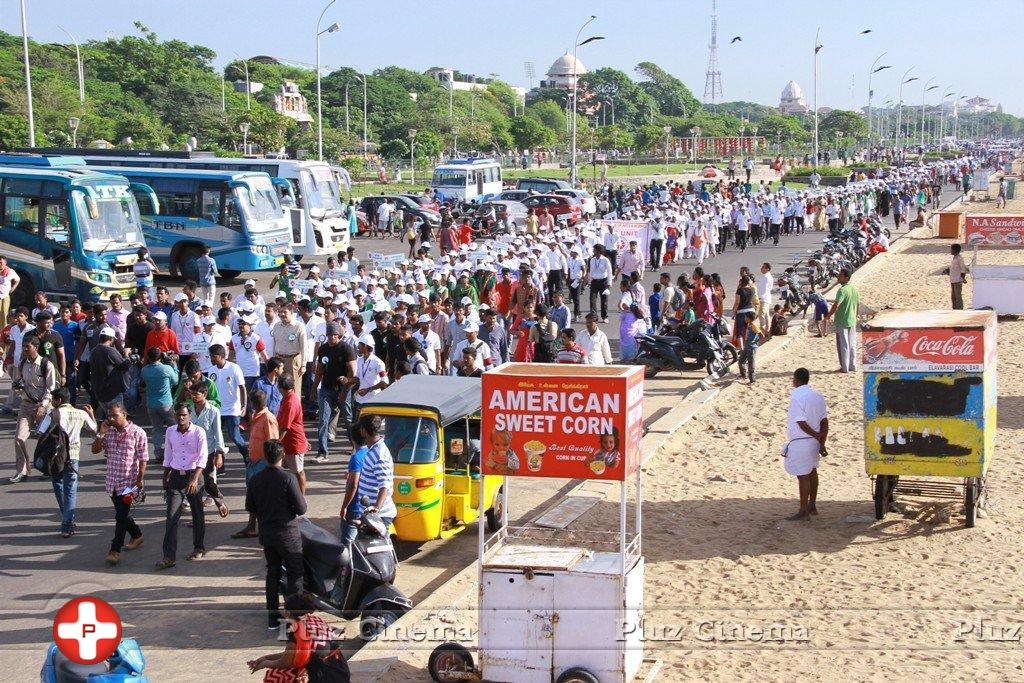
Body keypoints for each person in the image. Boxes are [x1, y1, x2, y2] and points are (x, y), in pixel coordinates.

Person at [245, 437, 308, 632]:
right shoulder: (288, 478)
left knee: (273, 573)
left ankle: (273, 619)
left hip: (268, 534)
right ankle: (295, 620)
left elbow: (250, 506)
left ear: (265, 456)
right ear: (282, 456)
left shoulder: (256, 479)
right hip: (288, 535)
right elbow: (301, 508)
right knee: (295, 575)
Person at [91, 402, 148, 566]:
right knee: (121, 513)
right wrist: (100, 433)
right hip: (112, 481)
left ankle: (114, 550)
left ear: (124, 414)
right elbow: (95, 450)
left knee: (120, 516)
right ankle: (137, 535)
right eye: (109, 415)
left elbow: (143, 458)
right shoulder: (108, 432)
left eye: (114, 415)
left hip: (129, 483)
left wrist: (140, 478)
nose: (111, 418)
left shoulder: (138, 433)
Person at [246, 593, 349, 681]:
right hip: (341, 670)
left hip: (324, 677)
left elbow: (285, 662)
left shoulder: (296, 630)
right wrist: (264, 658)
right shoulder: (316, 620)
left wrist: (265, 664)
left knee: (275, 674)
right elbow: (291, 654)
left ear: (288, 613)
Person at [155, 402, 208, 569]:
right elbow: (168, 456)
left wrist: (194, 479)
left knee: (197, 513)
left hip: (194, 476)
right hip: (176, 477)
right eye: (178, 415)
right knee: (172, 517)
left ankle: (198, 547)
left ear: (189, 416)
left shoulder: (199, 432)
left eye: (184, 415)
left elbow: (202, 457)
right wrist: (165, 477)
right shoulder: (170, 431)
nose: (181, 418)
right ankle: (169, 556)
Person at [38, 388, 96, 537]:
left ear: (58, 400)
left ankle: (67, 519)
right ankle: (67, 523)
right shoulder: (81, 413)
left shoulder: (54, 413)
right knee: (70, 489)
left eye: (53, 400)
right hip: (74, 455)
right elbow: (94, 428)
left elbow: (41, 431)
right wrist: (91, 415)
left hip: (56, 456)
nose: (52, 402)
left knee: (58, 484)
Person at [233, 389, 280, 540]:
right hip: (253, 462)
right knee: (253, 495)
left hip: (263, 463)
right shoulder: (256, 416)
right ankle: (252, 526)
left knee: (263, 496)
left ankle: (265, 528)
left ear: (254, 404)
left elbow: (273, 445)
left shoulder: (268, 418)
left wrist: (272, 467)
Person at [783, 367, 828, 521]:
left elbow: (801, 422)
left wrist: (816, 435)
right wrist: (821, 441)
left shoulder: (797, 397)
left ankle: (803, 511)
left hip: (802, 440)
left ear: (795, 380)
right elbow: (824, 421)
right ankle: (812, 505)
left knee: (803, 476)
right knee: (812, 472)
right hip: (814, 442)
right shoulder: (817, 396)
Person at [11, 337, 57, 483]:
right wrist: (17, 388)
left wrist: (43, 406)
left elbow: (51, 388)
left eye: (27, 346)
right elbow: (18, 384)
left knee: (48, 439)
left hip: (43, 406)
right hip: (26, 405)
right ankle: (22, 471)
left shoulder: (46, 364)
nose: (25, 349)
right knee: (19, 438)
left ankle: (48, 468)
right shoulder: (22, 363)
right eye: (23, 346)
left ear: (36, 347)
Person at [312, 322, 357, 461]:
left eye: (335, 335)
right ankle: (322, 452)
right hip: (326, 389)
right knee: (323, 420)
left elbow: (352, 371)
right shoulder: (324, 349)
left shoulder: (346, 348)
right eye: (330, 335)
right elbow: (319, 370)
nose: (332, 338)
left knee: (348, 419)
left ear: (339, 335)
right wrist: (314, 390)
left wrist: (345, 388)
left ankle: (355, 447)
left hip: (343, 389)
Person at [187, 383, 228, 518]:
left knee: (209, 484)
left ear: (204, 394)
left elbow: (218, 433)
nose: (193, 397)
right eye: (191, 394)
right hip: (192, 453)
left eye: (196, 394)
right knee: (195, 485)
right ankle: (197, 517)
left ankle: (220, 503)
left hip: (209, 452)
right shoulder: (189, 410)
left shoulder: (213, 411)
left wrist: (219, 454)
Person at [277, 375, 309, 494]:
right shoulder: (289, 397)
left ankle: (301, 498)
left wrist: (276, 443)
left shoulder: (291, 401)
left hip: (293, 442)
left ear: (280, 387)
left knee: (298, 471)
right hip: (290, 441)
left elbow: (285, 427)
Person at [90, 326, 131, 417]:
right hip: (113, 392)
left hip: (99, 392)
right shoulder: (110, 351)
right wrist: (127, 355)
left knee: (108, 417)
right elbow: (125, 366)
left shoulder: (93, 351)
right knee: (118, 418)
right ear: (111, 339)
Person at [827, 269, 859, 372]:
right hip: (852, 320)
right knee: (852, 344)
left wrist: (828, 315)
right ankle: (852, 366)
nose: (838, 277)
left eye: (840, 276)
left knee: (843, 345)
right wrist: (855, 316)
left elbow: (837, 304)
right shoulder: (854, 289)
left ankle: (844, 368)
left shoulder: (842, 290)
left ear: (846, 278)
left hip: (842, 321)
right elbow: (857, 304)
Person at [272, 305, 307, 397]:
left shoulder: (298, 326)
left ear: (291, 313)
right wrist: (274, 361)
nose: (282, 314)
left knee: (294, 388)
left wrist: (303, 364)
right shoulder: (276, 326)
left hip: (293, 360)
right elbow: (274, 344)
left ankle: (295, 410)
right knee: (280, 387)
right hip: (279, 360)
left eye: (285, 312)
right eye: (280, 312)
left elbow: (304, 346)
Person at [737, 311, 764, 383]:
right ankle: (743, 375)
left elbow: (761, 335)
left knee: (751, 363)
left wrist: (755, 342)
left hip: (751, 347)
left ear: (749, 318)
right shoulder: (749, 325)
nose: (744, 319)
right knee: (741, 361)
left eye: (746, 317)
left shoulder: (754, 325)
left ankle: (752, 379)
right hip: (747, 346)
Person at [947, 243, 969, 310]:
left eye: (952, 249)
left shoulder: (960, 258)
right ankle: (955, 310)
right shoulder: (955, 258)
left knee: (958, 297)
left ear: (955, 250)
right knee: (953, 297)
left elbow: (963, 269)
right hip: (953, 280)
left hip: (957, 280)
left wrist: (962, 278)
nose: (951, 251)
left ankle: (960, 310)